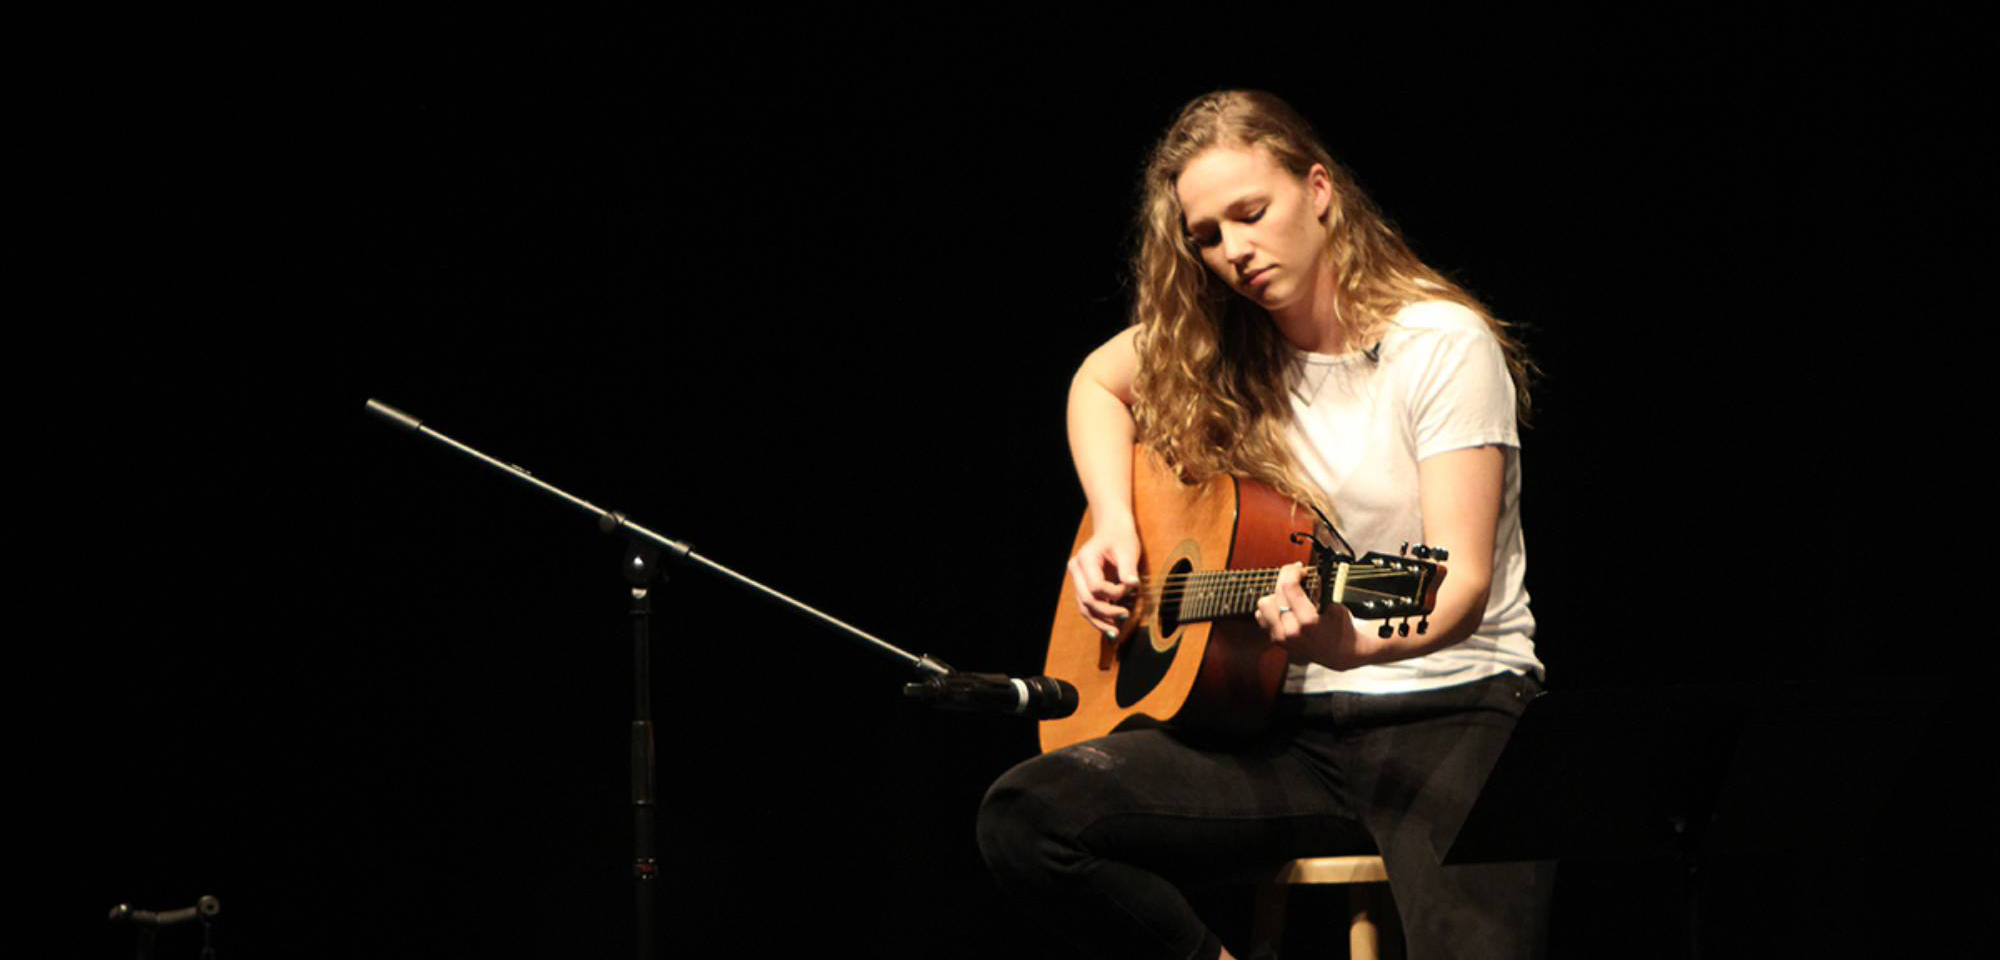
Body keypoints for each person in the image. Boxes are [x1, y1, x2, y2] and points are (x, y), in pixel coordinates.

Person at [976, 90, 1551, 960]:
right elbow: (1098, 381)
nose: (1234, 252)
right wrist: (1112, 522)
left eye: (1252, 213)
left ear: (1319, 190)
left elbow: (1458, 583)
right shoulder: (1225, 341)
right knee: (1030, 816)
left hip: (1456, 713)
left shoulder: (1439, 344)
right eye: (1207, 237)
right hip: (1283, 733)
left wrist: (1345, 643)